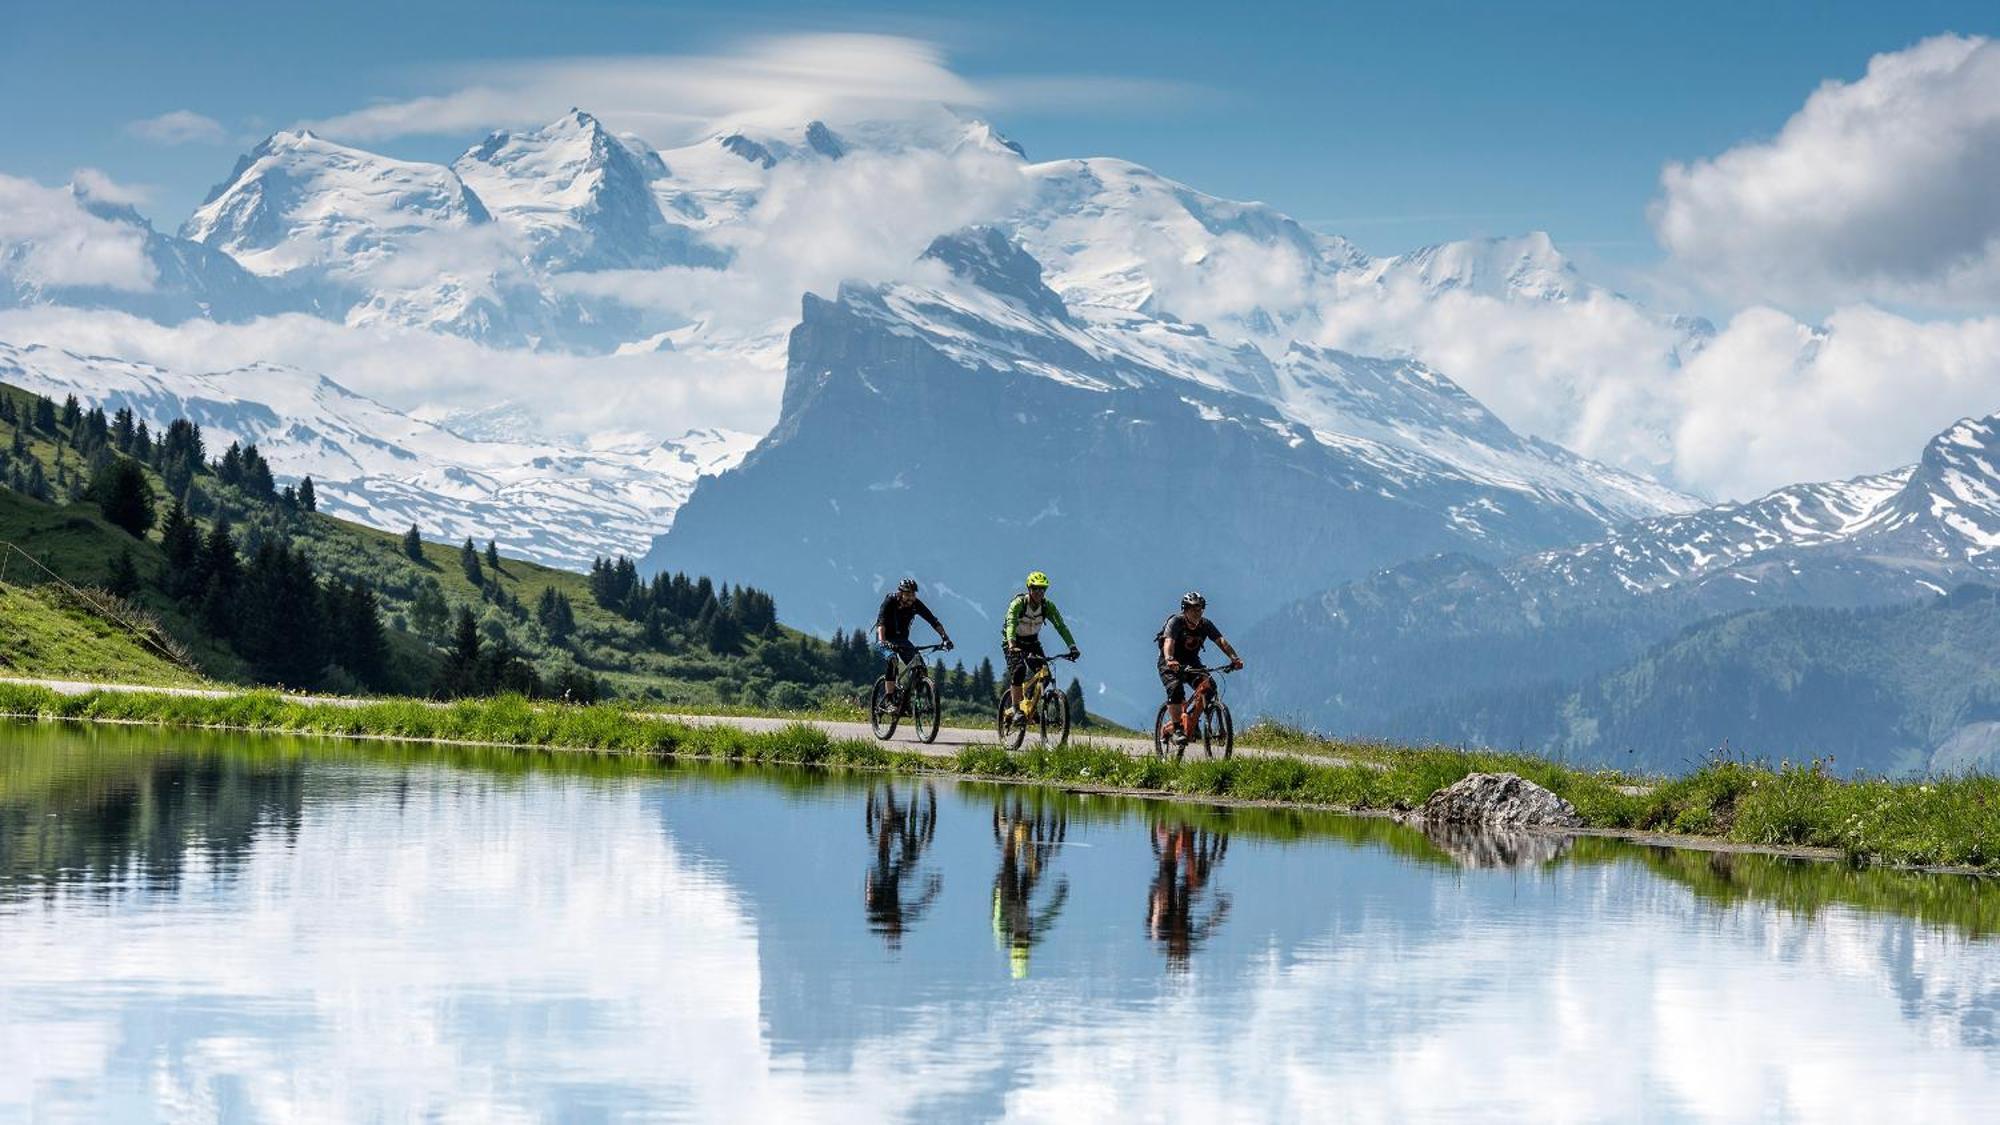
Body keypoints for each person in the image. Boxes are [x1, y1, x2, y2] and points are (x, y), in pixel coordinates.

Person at [1157, 591, 1243, 746]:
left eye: (1200, 608)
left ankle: (1192, 720)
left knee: (1209, 687)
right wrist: (1170, 659)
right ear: (1185, 609)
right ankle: (1176, 730)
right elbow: (1168, 642)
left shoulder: (1206, 625)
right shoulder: (1176, 622)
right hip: (1169, 661)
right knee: (1176, 689)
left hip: (1191, 662)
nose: (1198, 612)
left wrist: (1234, 658)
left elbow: (1221, 641)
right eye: (1194, 609)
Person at [1001, 571, 1079, 712]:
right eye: (1035, 588)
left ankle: (1029, 705)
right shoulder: (1018, 604)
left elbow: (1060, 626)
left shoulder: (1047, 606)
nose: (1039, 592)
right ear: (1029, 589)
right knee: (1019, 670)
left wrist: (1072, 647)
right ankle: (1016, 710)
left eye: (1042, 589)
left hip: (1031, 642)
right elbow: (1011, 623)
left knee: (1045, 675)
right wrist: (1012, 644)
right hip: (1012, 642)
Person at [874, 578, 951, 693]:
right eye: (908, 594)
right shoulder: (890, 601)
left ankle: (917, 699)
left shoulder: (916, 604)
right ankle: (890, 698)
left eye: (913, 594)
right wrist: (883, 641)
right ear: (900, 593)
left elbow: (933, 621)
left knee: (920, 667)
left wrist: (945, 638)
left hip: (902, 640)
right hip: (885, 638)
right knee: (892, 660)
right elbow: (881, 623)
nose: (911, 597)